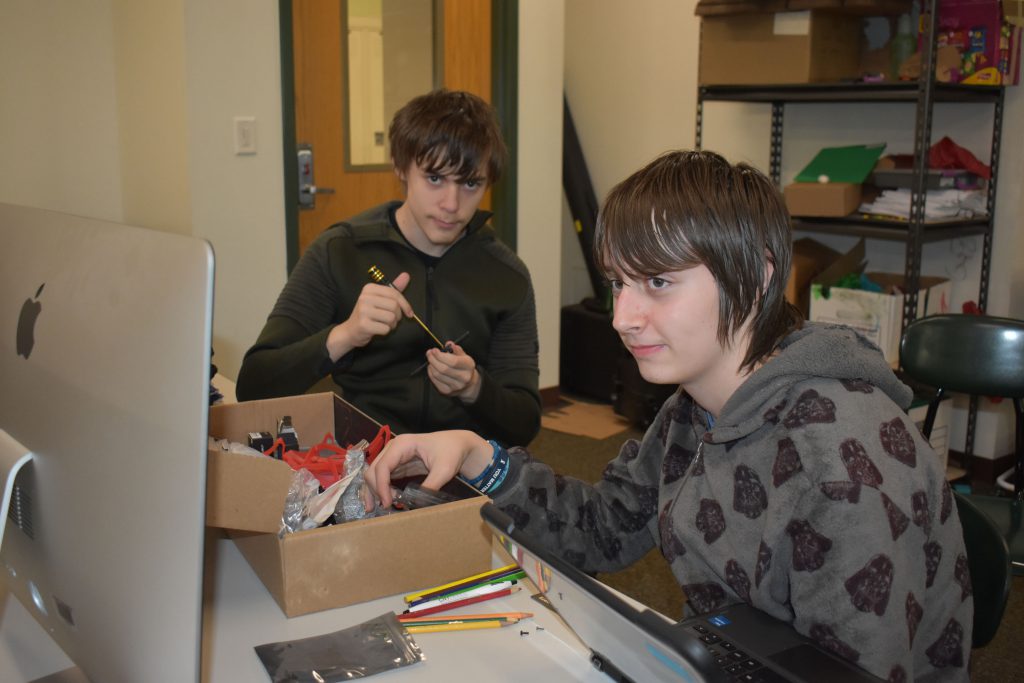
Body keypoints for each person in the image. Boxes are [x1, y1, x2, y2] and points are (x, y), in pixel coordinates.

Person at [363, 150, 972, 681]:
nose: (624, 317)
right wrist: (479, 455)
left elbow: (850, 674)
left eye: (657, 282)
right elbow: (605, 527)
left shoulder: (842, 462)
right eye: (617, 283)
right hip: (724, 651)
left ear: (755, 275)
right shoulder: (697, 404)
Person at [236, 89, 541, 447]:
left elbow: (524, 424)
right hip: (366, 459)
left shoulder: (506, 275)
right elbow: (253, 385)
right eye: (434, 178)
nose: (451, 204)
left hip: (464, 468)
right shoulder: (340, 252)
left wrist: (475, 388)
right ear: (401, 167)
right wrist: (345, 336)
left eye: (470, 183)